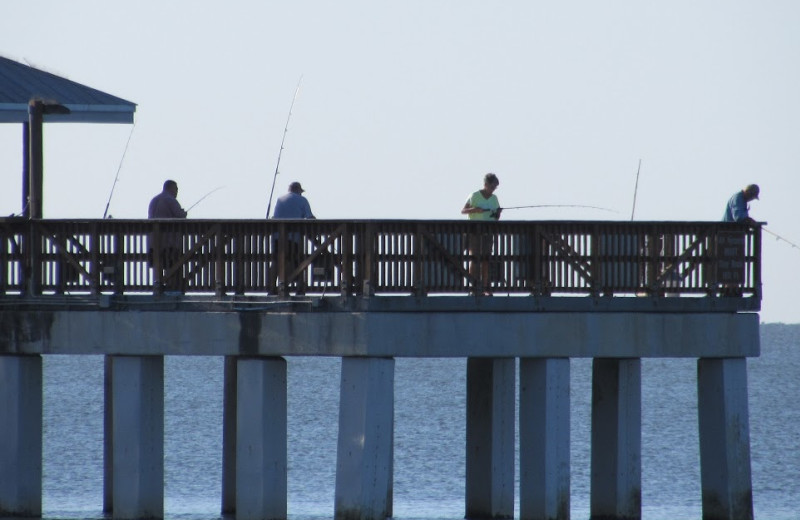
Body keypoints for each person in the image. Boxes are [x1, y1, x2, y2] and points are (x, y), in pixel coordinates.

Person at [270, 181, 315, 294]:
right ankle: (286, 286)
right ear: (298, 190)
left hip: (277, 236)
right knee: (292, 260)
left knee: (276, 261)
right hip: (292, 237)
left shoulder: (280, 199)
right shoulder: (302, 200)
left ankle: (272, 288)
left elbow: (275, 217)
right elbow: (310, 218)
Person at [461, 173, 501, 295]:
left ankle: (485, 286)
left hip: (488, 232)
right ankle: (474, 286)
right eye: (491, 187)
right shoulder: (474, 196)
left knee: (486, 259)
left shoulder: (494, 198)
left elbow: (497, 216)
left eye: (495, 187)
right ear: (485, 185)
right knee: (474, 259)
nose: (493, 190)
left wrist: (498, 213)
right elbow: (463, 210)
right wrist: (475, 210)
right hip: (474, 232)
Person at [720, 184, 760, 296]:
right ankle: (729, 291)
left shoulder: (741, 199)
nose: (752, 199)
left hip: (733, 237)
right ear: (749, 193)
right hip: (727, 236)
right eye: (752, 197)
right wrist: (750, 220)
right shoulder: (738, 198)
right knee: (729, 262)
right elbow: (738, 217)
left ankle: (731, 290)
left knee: (733, 263)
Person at [148, 180, 187, 292]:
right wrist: (184, 213)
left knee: (159, 266)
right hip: (169, 243)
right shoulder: (171, 200)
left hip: (153, 243)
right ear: (171, 188)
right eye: (176, 189)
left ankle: (158, 286)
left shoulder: (154, 200)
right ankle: (172, 288)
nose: (177, 192)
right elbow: (180, 216)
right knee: (173, 266)